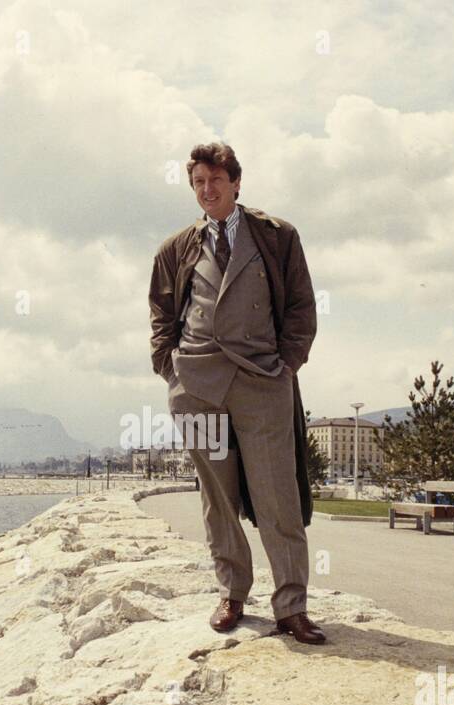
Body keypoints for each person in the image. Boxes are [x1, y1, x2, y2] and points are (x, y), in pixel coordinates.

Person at [148, 142, 325, 645]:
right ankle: (233, 593)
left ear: (236, 181)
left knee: (278, 499)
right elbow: (161, 314)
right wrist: (171, 369)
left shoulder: (277, 236)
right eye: (198, 182)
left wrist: (285, 366)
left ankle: (291, 606)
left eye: (216, 180)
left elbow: (301, 309)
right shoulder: (175, 248)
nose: (207, 190)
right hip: (198, 386)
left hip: (261, 382)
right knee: (217, 500)